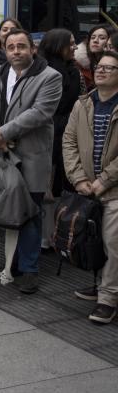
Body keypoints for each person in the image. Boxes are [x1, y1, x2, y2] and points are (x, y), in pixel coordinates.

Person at [0, 30, 62, 294]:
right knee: (6, 209)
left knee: (30, 213)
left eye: (21, 46)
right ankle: (11, 263)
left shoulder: (50, 76)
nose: (16, 51)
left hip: (30, 157)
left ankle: (29, 269)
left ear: (33, 48)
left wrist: (4, 133)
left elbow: (40, 113)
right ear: (4, 49)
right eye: (10, 46)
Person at [62, 51, 118, 324]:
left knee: (112, 244)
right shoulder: (83, 103)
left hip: (113, 189)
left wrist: (103, 180)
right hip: (87, 187)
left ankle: (108, 299)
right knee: (92, 239)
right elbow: (69, 141)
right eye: (99, 67)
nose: (102, 71)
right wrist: (78, 178)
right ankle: (100, 286)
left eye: (110, 67)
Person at [41, 29, 83, 199]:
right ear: (58, 46)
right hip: (48, 132)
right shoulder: (43, 70)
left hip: (67, 129)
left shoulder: (73, 70)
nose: (75, 47)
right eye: (70, 44)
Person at [75, 25, 115, 90]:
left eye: (102, 38)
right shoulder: (87, 62)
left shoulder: (113, 64)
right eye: (92, 37)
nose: (95, 41)